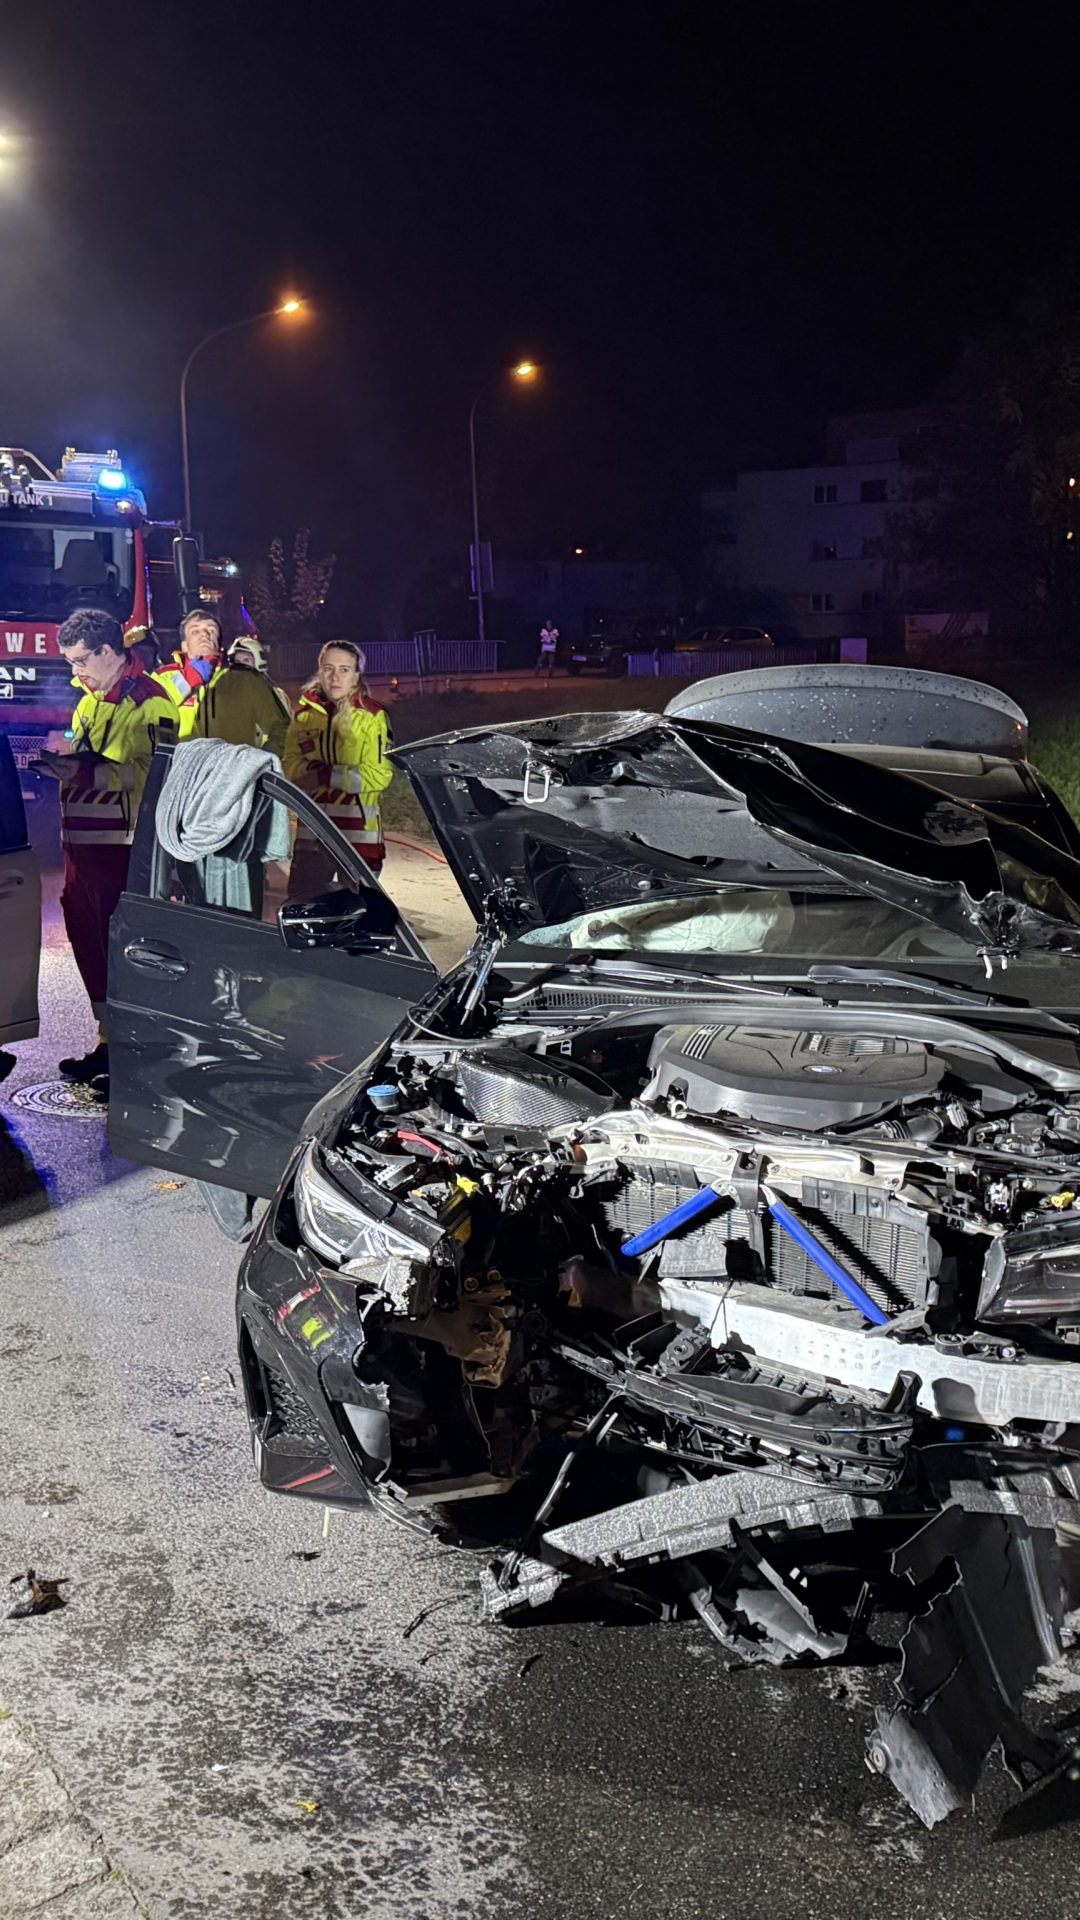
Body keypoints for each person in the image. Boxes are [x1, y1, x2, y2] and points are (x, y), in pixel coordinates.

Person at [37, 609, 177, 1090]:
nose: (74, 672)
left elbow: (153, 776)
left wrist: (81, 770)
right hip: (82, 846)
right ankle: (108, 1045)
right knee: (91, 946)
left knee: (123, 952)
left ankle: (133, 1054)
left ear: (107, 651)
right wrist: (66, 753)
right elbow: (90, 754)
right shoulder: (92, 699)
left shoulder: (152, 702)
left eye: (80, 661)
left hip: (124, 847)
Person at [283, 640, 393, 899]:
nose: (335, 677)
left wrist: (325, 775)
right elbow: (290, 767)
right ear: (319, 672)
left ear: (356, 676)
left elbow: (379, 775)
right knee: (303, 909)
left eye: (344, 670)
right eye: (328, 668)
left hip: (357, 836)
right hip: (312, 835)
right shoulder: (303, 717)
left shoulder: (373, 716)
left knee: (357, 917)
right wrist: (311, 774)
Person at [153, 606, 225, 737]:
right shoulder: (163, 676)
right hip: (184, 756)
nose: (204, 634)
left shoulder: (238, 677)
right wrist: (190, 679)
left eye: (211, 630)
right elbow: (154, 710)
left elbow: (271, 725)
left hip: (229, 757)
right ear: (184, 646)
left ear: (220, 644)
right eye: (195, 631)